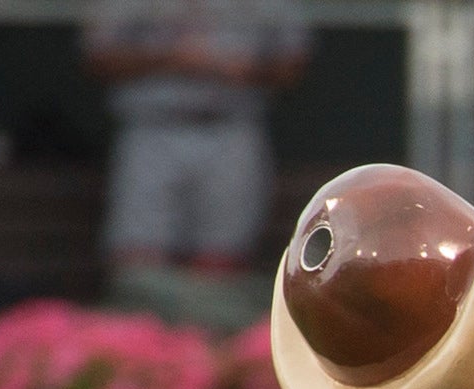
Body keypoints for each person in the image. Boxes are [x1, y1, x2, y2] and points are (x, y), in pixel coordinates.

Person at [86, 0, 309, 321]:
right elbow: (98, 57)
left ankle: (210, 357)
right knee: (138, 257)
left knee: (223, 257)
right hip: (153, 125)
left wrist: (235, 66)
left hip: (231, 124)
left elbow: (292, 63)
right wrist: (171, 58)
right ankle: (143, 351)